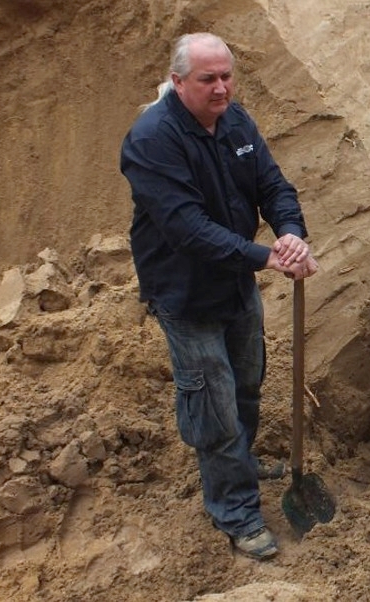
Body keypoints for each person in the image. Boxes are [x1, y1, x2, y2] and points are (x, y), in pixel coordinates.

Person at [120, 32, 319, 559]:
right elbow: (186, 228)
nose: (222, 87)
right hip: (185, 294)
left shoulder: (236, 121)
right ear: (178, 81)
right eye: (208, 79)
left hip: (235, 282)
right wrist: (265, 258)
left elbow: (273, 186)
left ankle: (239, 464)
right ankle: (234, 509)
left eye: (227, 75)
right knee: (213, 405)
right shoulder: (151, 140)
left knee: (247, 384)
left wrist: (290, 234)